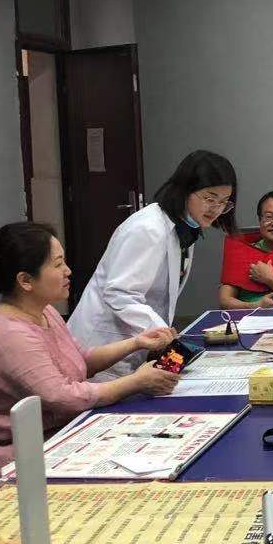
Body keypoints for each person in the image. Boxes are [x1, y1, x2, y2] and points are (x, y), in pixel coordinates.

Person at [0, 222, 179, 490]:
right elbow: (63, 397)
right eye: (58, 264)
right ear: (25, 281)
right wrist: (135, 382)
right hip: (25, 461)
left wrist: (136, 343)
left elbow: (81, 360)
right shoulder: (10, 334)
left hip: (62, 437)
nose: (68, 271)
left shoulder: (44, 312)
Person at [68, 150, 237, 378]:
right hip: (102, 344)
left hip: (134, 343)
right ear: (185, 190)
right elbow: (120, 293)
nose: (216, 209)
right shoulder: (147, 228)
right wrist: (163, 333)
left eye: (224, 202)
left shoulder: (185, 228)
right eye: (210, 199)